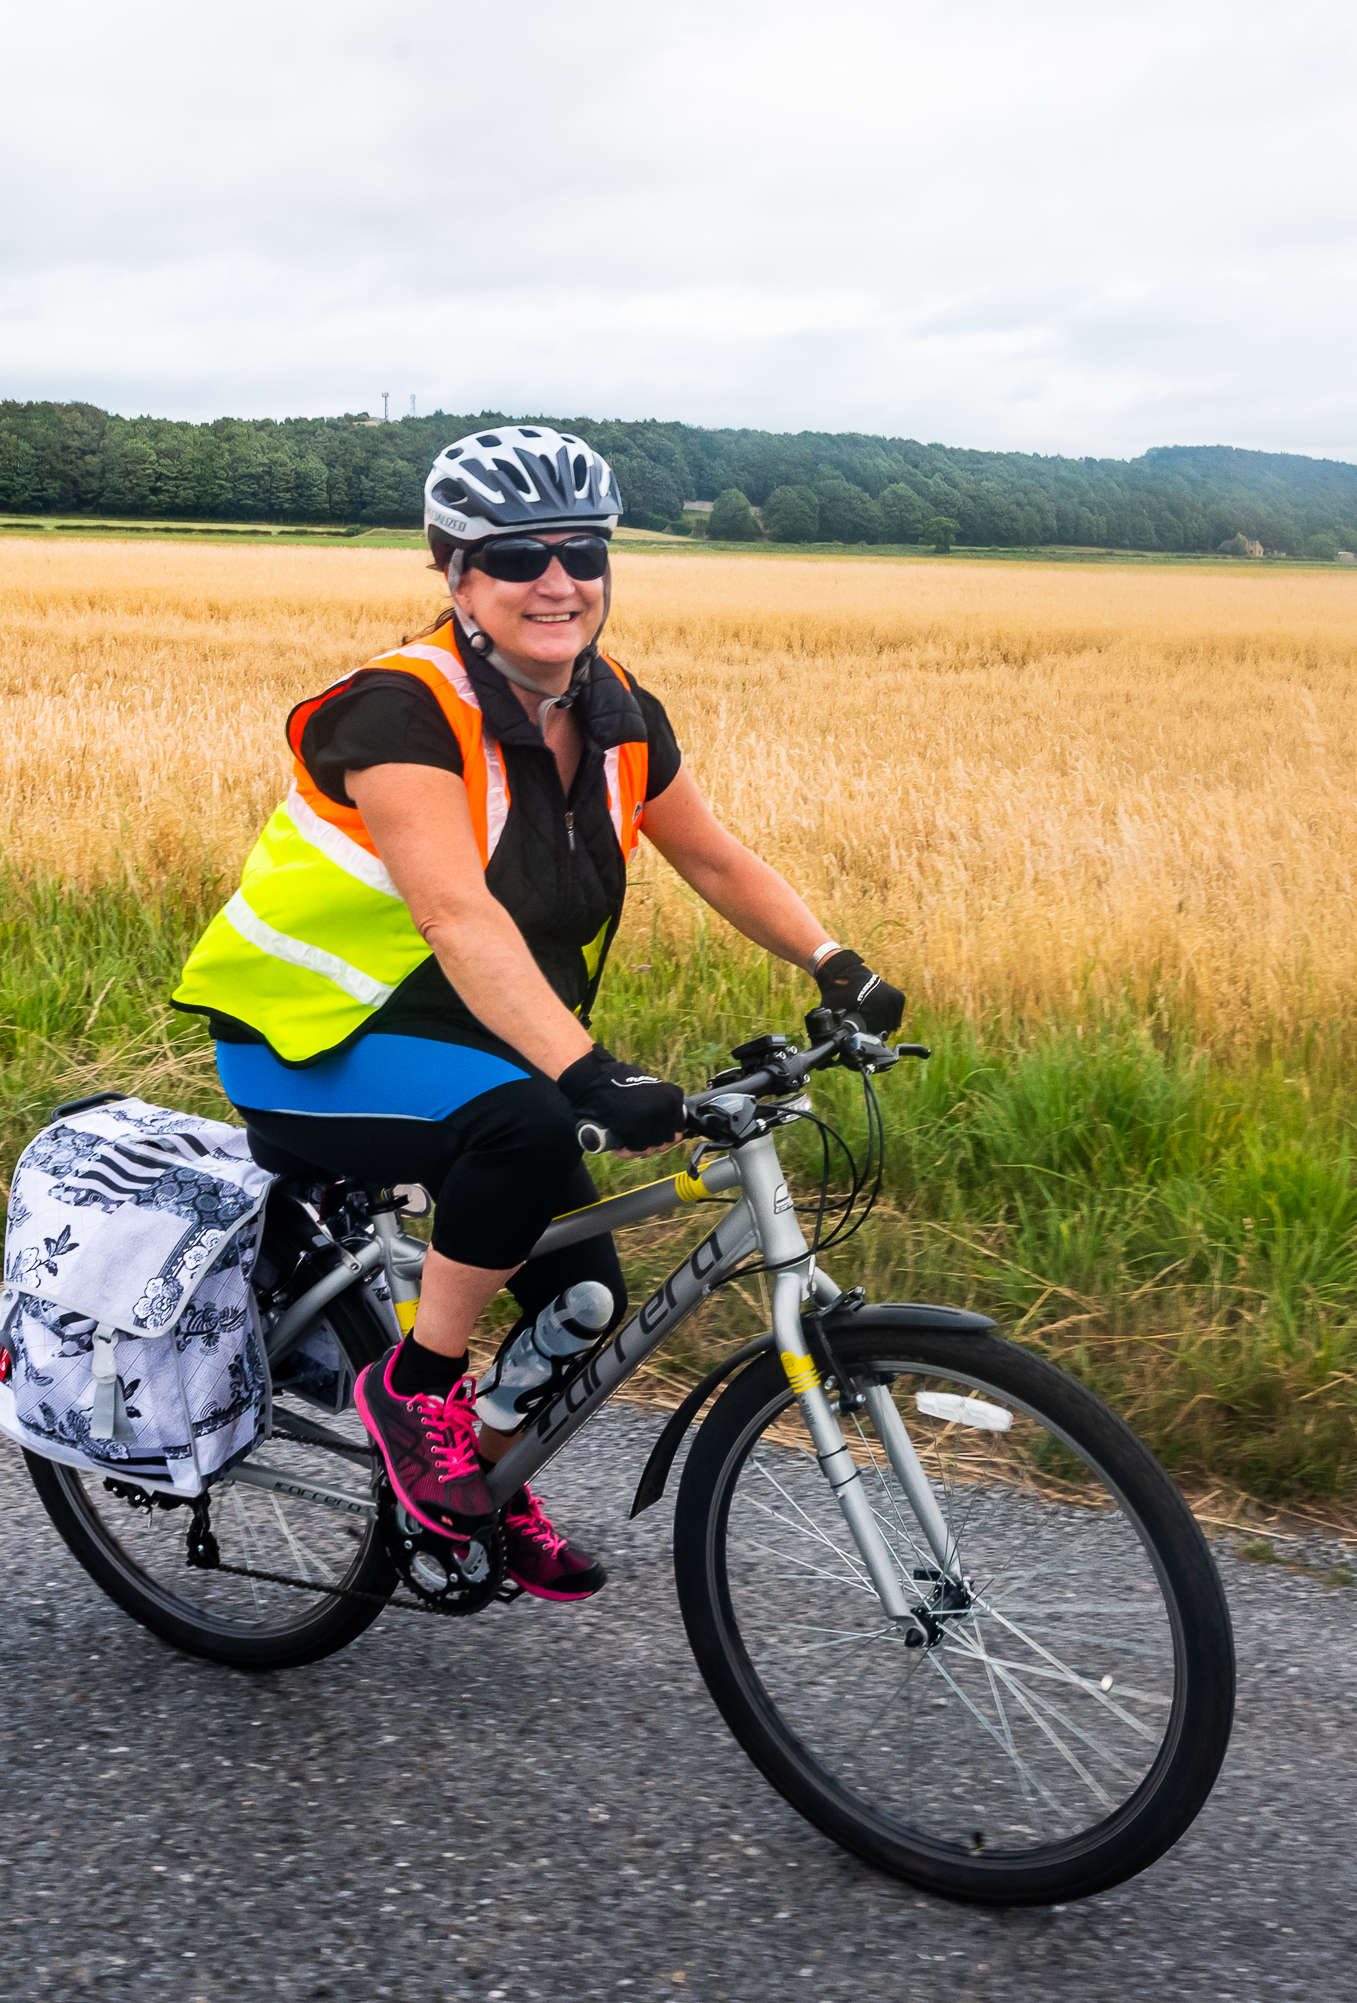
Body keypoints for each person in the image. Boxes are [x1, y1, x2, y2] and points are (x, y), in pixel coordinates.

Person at [171, 426, 905, 1601]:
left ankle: (480, 1493)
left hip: (457, 1039)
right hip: (307, 1039)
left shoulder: (617, 711)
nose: (557, 580)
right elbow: (458, 917)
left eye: (582, 551)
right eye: (517, 556)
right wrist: (589, 1067)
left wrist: (836, 962)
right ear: (454, 572)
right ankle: (414, 1392)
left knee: (584, 1301)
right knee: (524, 1123)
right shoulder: (401, 711)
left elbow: (714, 859)